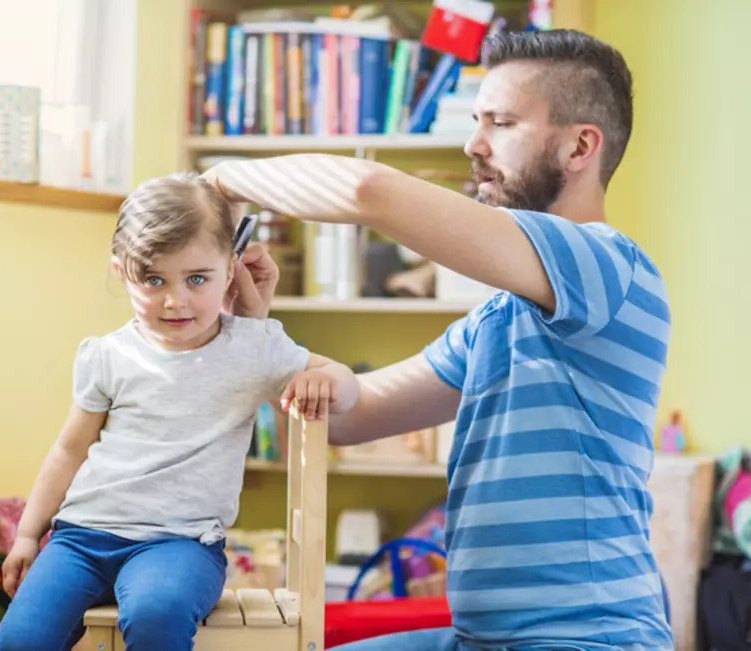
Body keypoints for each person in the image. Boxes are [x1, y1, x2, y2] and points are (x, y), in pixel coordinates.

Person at [204, 27, 674, 651]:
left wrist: (217, 184)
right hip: (478, 638)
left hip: (589, 638)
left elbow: (368, 190)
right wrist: (252, 333)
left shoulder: (609, 266)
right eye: (477, 120)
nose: (474, 145)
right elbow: (348, 417)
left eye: (501, 123)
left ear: (580, 146)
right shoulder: (498, 320)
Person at [0, 173, 358, 651]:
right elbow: (69, 449)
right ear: (122, 272)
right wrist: (26, 536)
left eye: (197, 279)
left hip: (180, 545)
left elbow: (346, 383)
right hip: (80, 538)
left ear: (232, 268)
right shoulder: (107, 354)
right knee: (19, 640)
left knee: (155, 615)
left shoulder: (253, 346)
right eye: (154, 279)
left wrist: (326, 379)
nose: (175, 300)